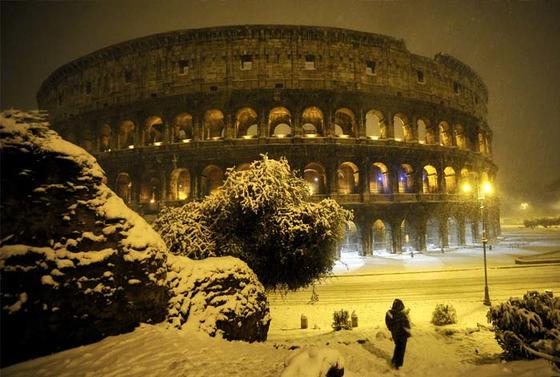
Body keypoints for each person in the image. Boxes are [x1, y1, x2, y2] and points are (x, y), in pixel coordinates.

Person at [385, 298, 411, 369]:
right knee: (401, 349)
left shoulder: (392, 313)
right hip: (401, 334)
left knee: (398, 347)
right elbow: (404, 323)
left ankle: (394, 360)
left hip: (398, 334)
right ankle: (398, 365)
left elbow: (389, 324)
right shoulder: (397, 314)